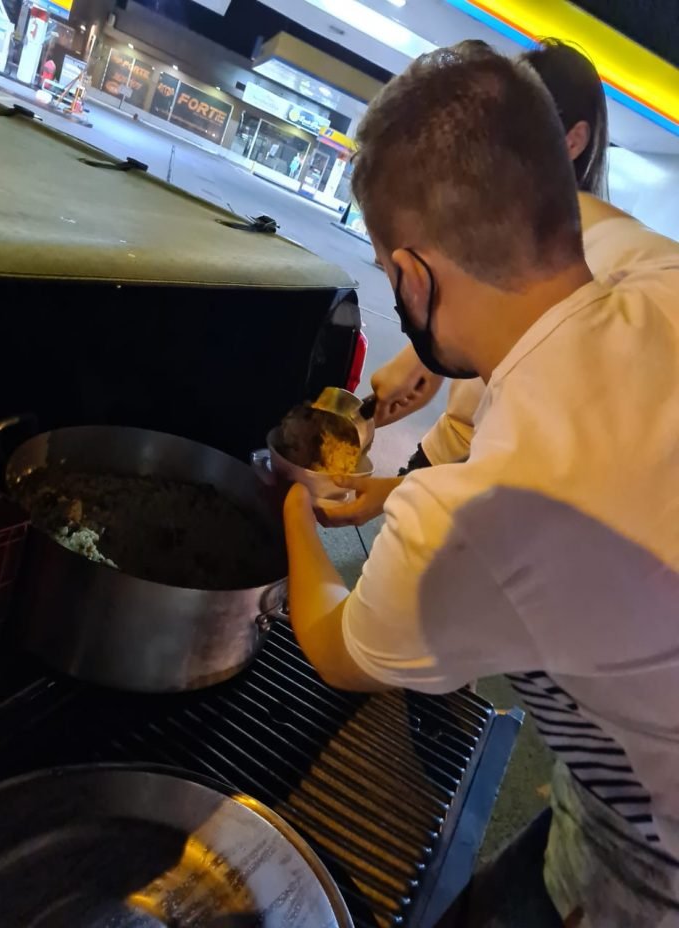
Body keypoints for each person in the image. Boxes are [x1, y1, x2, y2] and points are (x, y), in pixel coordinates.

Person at [283, 45, 679, 926]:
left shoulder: (486, 509)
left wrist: (293, 505)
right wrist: (394, 478)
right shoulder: (655, 272)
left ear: (414, 280)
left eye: (394, 280)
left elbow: (333, 647)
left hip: (651, 870)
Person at [370, 39, 610, 471]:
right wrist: (426, 359)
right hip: (448, 449)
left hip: (481, 472)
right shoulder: (504, 223)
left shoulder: (596, 261)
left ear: (573, 140)